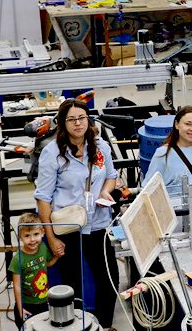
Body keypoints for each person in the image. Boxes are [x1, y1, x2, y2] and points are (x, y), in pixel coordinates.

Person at [34, 99, 119, 330]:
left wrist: (105, 191)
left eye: (81, 118)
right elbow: (43, 198)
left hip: (99, 223)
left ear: (88, 120)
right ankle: (79, 326)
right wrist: (51, 238)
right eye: (71, 119)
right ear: (63, 123)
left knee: (109, 279)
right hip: (69, 227)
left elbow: (111, 176)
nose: (77, 123)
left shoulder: (100, 147)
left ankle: (103, 325)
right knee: (73, 283)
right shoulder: (52, 153)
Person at [10, 212, 58, 329]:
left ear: (42, 232)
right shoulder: (17, 259)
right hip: (27, 305)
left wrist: (57, 256)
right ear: (20, 237)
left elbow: (48, 263)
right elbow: (17, 286)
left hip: (44, 302)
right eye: (27, 236)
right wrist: (20, 308)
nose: (32, 239)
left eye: (36, 234)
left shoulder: (42, 247)